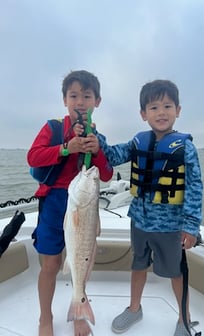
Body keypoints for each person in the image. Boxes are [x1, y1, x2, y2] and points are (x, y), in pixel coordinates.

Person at [92, 79, 203, 336]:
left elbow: (195, 187)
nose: (161, 112)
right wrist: (95, 137)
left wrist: (191, 225)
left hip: (170, 225)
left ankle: (183, 318)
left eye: (167, 106)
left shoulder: (186, 148)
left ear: (178, 110)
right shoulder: (137, 142)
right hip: (139, 220)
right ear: (143, 114)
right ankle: (134, 308)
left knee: (176, 273)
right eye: (153, 107)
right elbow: (112, 155)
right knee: (138, 265)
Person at [27, 70, 113, 336]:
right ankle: (45, 317)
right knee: (51, 265)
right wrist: (67, 147)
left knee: (81, 259)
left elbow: (107, 175)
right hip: (54, 204)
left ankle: (78, 309)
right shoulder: (53, 128)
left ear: (97, 102)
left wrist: (95, 151)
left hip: (84, 205)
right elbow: (34, 157)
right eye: (73, 95)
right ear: (64, 100)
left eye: (87, 96)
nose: (80, 102)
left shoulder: (98, 138)